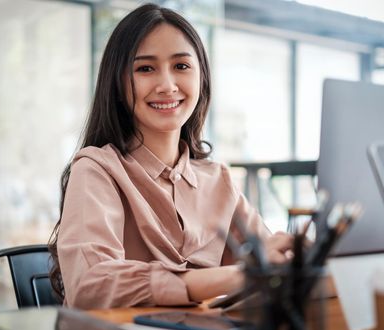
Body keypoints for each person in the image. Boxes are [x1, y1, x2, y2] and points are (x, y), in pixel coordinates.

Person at [48, 3, 293, 309]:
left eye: (181, 66)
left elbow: (265, 260)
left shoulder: (218, 181)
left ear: (201, 78)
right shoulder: (97, 170)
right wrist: (236, 275)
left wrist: (291, 257)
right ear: (118, 83)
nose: (167, 85)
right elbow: (91, 286)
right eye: (145, 68)